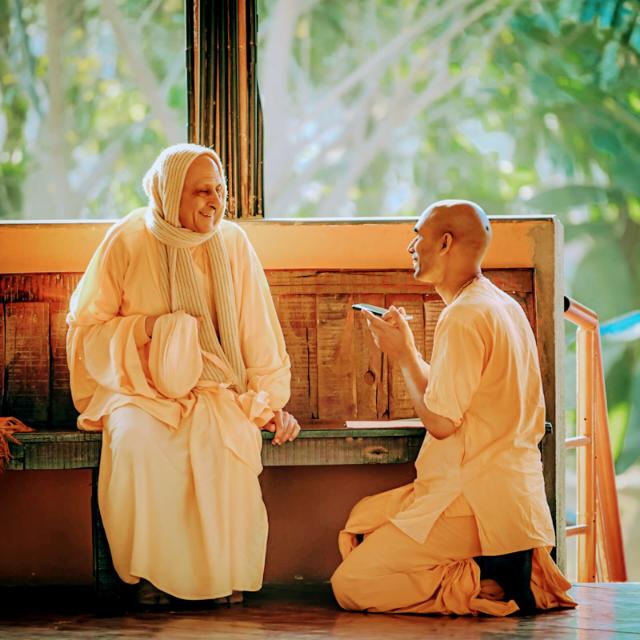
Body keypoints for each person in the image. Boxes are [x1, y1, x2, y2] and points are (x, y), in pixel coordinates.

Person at [67, 143, 300, 605]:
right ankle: (153, 579)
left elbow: (258, 329)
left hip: (214, 386)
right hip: (139, 387)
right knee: (136, 442)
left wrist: (268, 400)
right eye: (201, 192)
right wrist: (146, 329)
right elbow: (86, 331)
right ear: (169, 192)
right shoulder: (128, 238)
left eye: (220, 190)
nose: (215, 202)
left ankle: (221, 577)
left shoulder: (232, 243)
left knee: (226, 439)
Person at [331, 200, 576, 616]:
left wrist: (404, 358)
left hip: (474, 497)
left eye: (417, 236)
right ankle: (488, 572)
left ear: (444, 243)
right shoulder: (501, 305)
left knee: (351, 584)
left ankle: (479, 585)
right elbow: (451, 398)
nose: (411, 246)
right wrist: (406, 347)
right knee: (362, 523)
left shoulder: (463, 316)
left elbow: (442, 422)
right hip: (508, 494)